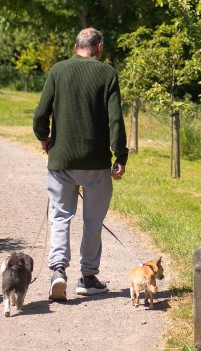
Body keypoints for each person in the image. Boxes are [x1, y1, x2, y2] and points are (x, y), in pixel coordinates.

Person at [32, 27, 128, 301]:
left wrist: (44, 137)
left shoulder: (58, 70)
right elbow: (115, 120)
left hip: (61, 161)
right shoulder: (107, 73)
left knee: (61, 216)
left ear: (76, 47)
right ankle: (87, 277)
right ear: (98, 47)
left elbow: (40, 114)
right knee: (93, 221)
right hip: (96, 163)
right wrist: (120, 156)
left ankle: (58, 271)